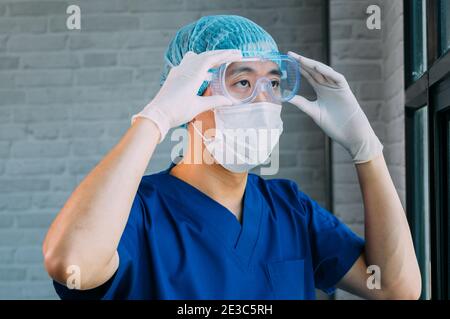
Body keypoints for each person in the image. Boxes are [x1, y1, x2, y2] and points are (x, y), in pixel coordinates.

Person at [43, 15, 421, 300]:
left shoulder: (290, 209)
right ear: (189, 98)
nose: (263, 99)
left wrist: (367, 149)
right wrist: (154, 119)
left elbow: (396, 287)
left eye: (273, 83)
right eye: (242, 82)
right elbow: (71, 263)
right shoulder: (137, 212)